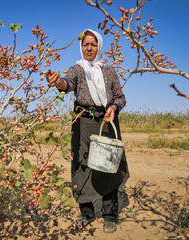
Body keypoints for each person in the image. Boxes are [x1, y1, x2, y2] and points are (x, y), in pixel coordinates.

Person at [46, 29, 129, 233]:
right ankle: (87, 213)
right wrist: (57, 82)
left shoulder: (109, 72)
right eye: (85, 45)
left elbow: (120, 97)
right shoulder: (77, 69)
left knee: (108, 167)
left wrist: (113, 108)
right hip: (83, 124)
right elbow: (67, 84)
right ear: (81, 47)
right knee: (82, 167)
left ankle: (110, 214)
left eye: (93, 44)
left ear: (99, 46)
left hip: (106, 123)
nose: (89, 48)